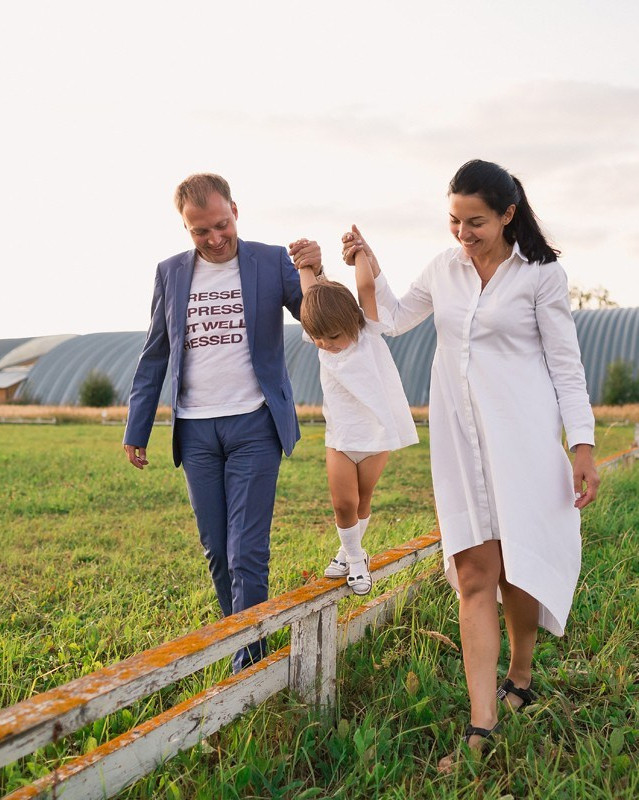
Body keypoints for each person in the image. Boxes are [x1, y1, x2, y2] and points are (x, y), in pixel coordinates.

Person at [342, 159, 600, 757]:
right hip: (458, 439)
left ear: (508, 215)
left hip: (523, 437)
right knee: (476, 572)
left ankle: (523, 674)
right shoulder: (443, 269)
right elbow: (392, 320)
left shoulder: (541, 276)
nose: (462, 233)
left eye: (475, 221)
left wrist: (581, 445)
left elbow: (566, 364)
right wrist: (365, 270)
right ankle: (481, 723)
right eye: (454, 220)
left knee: (520, 563)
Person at [123, 173, 324, 673]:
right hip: (195, 431)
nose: (214, 239)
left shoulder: (270, 260)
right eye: (200, 231)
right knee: (216, 549)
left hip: (255, 424)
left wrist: (314, 271)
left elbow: (319, 320)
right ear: (185, 228)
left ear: (235, 209)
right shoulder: (171, 272)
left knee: (246, 550)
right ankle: (247, 639)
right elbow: (155, 354)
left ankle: (248, 658)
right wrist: (137, 427)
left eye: (221, 225)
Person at [290, 241, 420, 595]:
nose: (325, 344)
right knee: (343, 502)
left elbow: (365, 288)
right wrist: (303, 262)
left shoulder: (368, 330)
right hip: (342, 437)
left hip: (377, 436)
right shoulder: (321, 329)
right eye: (317, 338)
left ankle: (347, 551)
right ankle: (356, 558)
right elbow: (310, 294)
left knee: (363, 499)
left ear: (351, 322)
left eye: (332, 337)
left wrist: (361, 253)